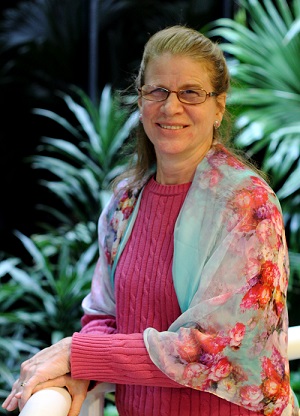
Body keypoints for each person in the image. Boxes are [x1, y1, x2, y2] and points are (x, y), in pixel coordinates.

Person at [2, 25, 299, 416]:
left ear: (219, 105)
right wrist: (82, 362)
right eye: (157, 91)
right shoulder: (126, 200)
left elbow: (219, 347)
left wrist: (79, 353)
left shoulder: (248, 204)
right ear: (140, 99)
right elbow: (101, 314)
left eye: (190, 92)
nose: (171, 107)